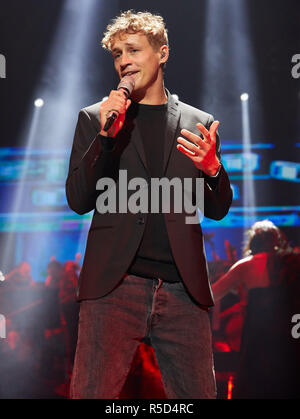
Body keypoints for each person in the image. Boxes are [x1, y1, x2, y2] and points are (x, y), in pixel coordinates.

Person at [66, 10, 232, 399]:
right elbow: (77, 199)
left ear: (163, 53)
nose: (124, 60)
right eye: (117, 53)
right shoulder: (95, 117)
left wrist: (213, 170)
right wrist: (105, 140)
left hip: (182, 290)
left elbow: (219, 208)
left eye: (134, 50)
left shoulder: (198, 121)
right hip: (113, 288)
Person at [212, 220, 300, 398]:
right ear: (276, 240)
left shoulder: (246, 265)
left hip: (257, 335)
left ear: (253, 241)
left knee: (254, 381)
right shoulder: (292, 263)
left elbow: (212, 294)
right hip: (288, 333)